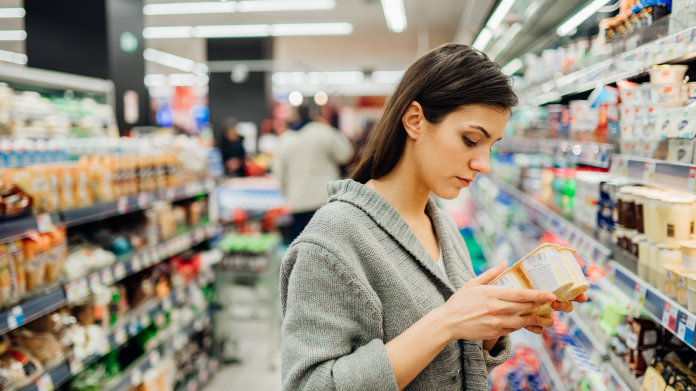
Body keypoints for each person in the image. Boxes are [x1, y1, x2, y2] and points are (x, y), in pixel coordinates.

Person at [280, 44, 587, 391]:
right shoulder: (332, 240)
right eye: (470, 140)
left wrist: (492, 324)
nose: (483, 164)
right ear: (415, 121)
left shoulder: (443, 227)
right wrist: (447, 322)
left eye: (491, 146)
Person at [272, 105, 354, 242]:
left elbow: (279, 173)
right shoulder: (324, 133)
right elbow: (346, 154)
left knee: (301, 248)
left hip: (298, 201)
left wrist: (287, 194)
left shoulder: (285, 140)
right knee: (329, 246)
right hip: (325, 199)